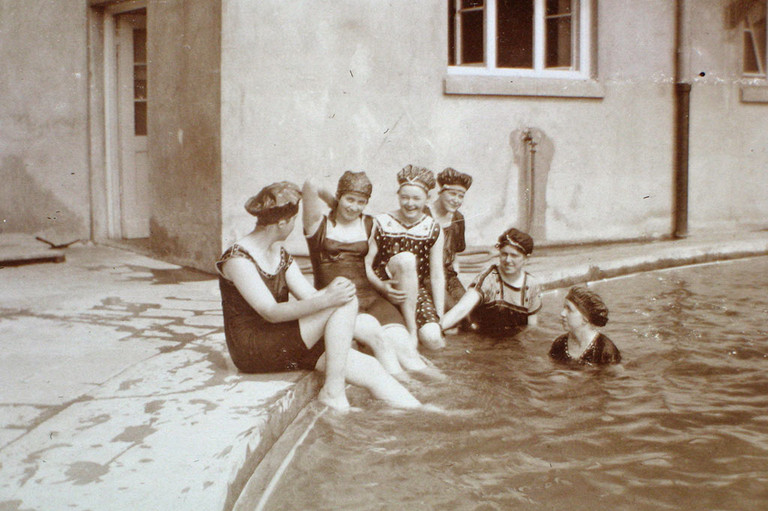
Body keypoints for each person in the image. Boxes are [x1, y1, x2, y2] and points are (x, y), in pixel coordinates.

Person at [216, 181, 420, 411]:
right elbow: (270, 312)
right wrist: (330, 299)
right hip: (253, 349)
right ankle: (333, 392)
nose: (293, 225)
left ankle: (425, 414)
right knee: (344, 298)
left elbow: (309, 295)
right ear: (282, 223)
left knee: (371, 368)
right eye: (293, 220)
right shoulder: (238, 259)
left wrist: (339, 302)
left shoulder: (279, 252)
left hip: (283, 339)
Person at [302, 171, 427, 373]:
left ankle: (444, 390)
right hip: (343, 303)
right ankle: (406, 393)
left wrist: (382, 287)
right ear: (339, 196)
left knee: (408, 352)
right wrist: (335, 203)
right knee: (381, 343)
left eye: (361, 202)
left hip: (372, 299)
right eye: (349, 199)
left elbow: (366, 265)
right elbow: (311, 183)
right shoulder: (317, 225)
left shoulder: (368, 224)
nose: (354, 207)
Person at [366, 165, 446, 351]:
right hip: (384, 291)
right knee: (406, 259)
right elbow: (366, 264)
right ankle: (411, 332)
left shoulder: (432, 228)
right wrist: (382, 288)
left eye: (416, 198)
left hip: (414, 291)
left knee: (433, 339)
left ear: (428, 199)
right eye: (404, 197)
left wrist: (439, 317)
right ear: (398, 196)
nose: (410, 203)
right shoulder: (382, 222)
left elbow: (436, 275)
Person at [440, 227, 541, 336]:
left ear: (526, 259)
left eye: (514, 256)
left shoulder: (531, 285)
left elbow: (531, 327)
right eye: (504, 254)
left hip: (514, 343)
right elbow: (462, 308)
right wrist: (437, 328)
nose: (507, 260)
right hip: (483, 340)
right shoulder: (489, 279)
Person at [427, 167, 473, 313]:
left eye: (461, 196)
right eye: (452, 194)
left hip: (448, 276)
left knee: (470, 314)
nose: (456, 200)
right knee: (453, 313)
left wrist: (455, 278)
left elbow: (455, 253)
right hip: (425, 277)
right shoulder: (424, 215)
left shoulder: (458, 218)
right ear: (441, 192)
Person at [549, 286, 621, 365]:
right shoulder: (559, 344)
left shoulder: (605, 350)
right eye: (564, 308)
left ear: (585, 318)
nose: (562, 313)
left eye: (569, 309)